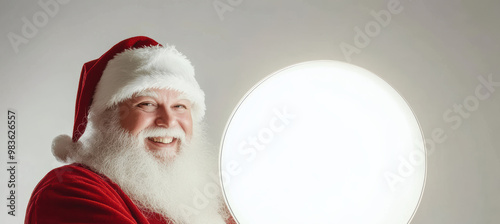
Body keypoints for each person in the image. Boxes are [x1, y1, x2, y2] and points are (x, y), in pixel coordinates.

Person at [25, 36, 236, 224]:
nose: (168, 120)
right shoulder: (69, 190)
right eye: (147, 104)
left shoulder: (212, 203)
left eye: (180, 106)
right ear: (108, 119)